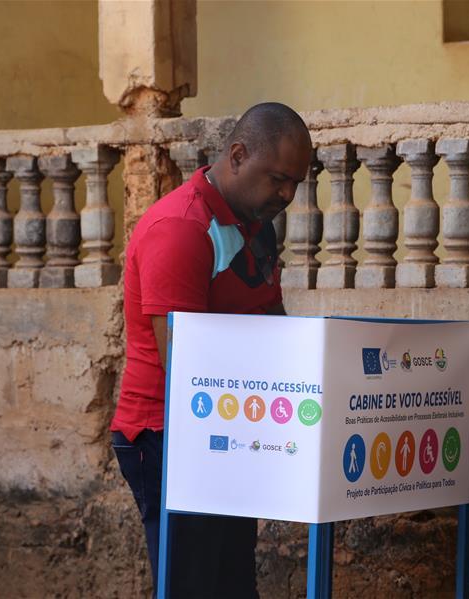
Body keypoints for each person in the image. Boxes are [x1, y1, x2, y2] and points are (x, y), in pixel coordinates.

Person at [109, 102, 312, 597]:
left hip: (230, 425)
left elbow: (271, 323)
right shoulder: (181, 228)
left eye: (295, 185)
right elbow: (185, 364)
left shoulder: (255, 225)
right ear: (238, 155)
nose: (287, 195)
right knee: (192, 584)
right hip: (171, 433)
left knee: (233, 584)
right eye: (278, 179)